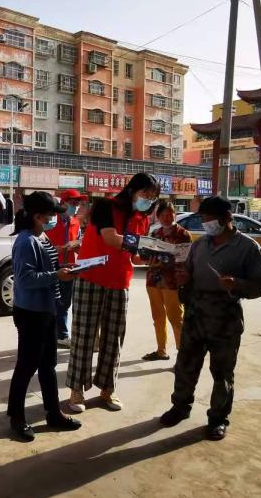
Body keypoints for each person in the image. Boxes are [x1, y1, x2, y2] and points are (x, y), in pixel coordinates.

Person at [159, 195, 261, 441]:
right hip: (195, 314)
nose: (206, 224)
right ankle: (180, 407)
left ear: (227, 218)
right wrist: (183, 281)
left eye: (209, 219)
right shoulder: (199, 245)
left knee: (222, 372)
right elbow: (188, 275)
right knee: (186, 366)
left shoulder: (248, 248)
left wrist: (237, 284)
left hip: (225, 317)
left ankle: (218, 418)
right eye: (203, 219)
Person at [66, 173, 161, 413]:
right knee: (84, 336)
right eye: (146, 194)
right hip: (91, 278)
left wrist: (152, 258)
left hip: (120, 282)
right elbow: (110, 238)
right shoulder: (105, 206)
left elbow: (135, 257)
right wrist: (143, 244)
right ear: (132, 190)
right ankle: (77, 390)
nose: (149, 200)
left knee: (114, 339)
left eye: (153, 197)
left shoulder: (142, 219)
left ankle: (108, 389)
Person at [6, 191, 82, 442]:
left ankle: (53, 413)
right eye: (51, 216)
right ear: (38, 216)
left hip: (46, 309)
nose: (54, 220)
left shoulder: (41, 236)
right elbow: (25, 279)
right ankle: (17, 417)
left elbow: (48, 266)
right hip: (31, 313)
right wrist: (56, 275)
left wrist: (64, 269)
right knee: (26, 366)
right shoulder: (26, 241)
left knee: (48, 365)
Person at [142, 200, 191, 362]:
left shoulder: (183, 234)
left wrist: (166, 262)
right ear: (158, 217)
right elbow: (146, 255)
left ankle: (182, 356)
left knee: (176, 318)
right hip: (153, 281)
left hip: (172, 283)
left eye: (169, 214)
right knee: (157, 317)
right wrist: (147, 259)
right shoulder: (155, 234)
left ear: (174, 215)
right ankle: (161, 350)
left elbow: (185, 260)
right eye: (162, 215)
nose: (166, 218)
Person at [46, 189, 86, 348]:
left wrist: (77, 244)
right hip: (51, 267)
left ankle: (60, 334)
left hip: (69, 268)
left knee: (65, 303)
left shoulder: (76, 222)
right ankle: (60, 334)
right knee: (52, 302)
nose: (76, 206)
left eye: (78, 203)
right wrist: (54, 249)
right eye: (73, 203)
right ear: (63, 203)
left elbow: (79, 242)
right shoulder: (51, 221)